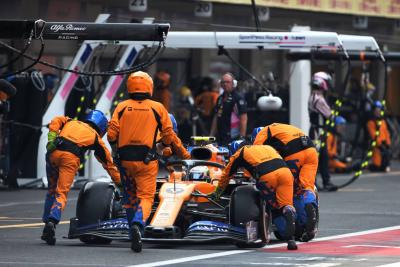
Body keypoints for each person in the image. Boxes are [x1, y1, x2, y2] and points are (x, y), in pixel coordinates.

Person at [107, 71, 190, 252]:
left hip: (125, 161)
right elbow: (169, 134)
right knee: (145, 197)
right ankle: (138, 223)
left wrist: (116, 150)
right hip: (147, 161)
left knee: (129, 197)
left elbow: (111, 133)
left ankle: (131, 232)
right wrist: (160, 148)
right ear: (149, 87)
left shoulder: (121, 107)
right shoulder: (157, 107)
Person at [41, 110, 121, 245]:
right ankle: (52, 221)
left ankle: (45, 226)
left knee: (52, 191)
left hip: (52, 154)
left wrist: (51, 138)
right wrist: (120, 182)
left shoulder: (70, 121)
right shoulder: (96, 137)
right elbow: (108, 164)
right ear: (101, 127)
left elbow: (55, 120)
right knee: (61, 193)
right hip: (69, 160)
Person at [210, 139, 296, 243]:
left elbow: (226, 176)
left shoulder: (240, 152)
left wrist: (217, 193)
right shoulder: (267, 147)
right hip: (286, 173)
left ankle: (286, 236)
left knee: (273, 206)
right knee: (286, 205)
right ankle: (291, 232)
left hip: (267, 175)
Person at [252, 123, 319, 241]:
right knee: (306, 187)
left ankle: (289, 226)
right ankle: (309, 205)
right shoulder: (282, 129)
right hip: (311, 149)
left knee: (286, 190)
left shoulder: (261, 137)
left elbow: (257, 155)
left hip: (293, 152)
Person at [308, 71, 338, 191]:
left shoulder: (314, 96)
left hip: (318, 131)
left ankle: (325, 181)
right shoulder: (318, 99)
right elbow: (330, 115)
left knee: (322, 157)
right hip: (318, 133)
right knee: (318, 157)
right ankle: (315, 182)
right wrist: (335, 108)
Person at [210, 73, 247, 146]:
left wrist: (242, 138)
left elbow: (243, 119)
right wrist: (211, 136)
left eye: (227, 82)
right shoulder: (220, 98)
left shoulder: (238, 98)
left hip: (233, 138)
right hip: (220, 137)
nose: (225, 84)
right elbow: (216, 117)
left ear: (233, 83)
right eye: (223, 82)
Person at [367, 101, 391, 172]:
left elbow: (386, 133)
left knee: (386, 156)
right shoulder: (371, 122)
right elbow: (373, 135)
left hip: (384, 144)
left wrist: (388, 143)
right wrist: (380, 144)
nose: (378, 112)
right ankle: (373, 165)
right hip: (377, 145)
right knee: (377, 166)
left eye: (379, 110)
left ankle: (385, 164)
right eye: (376, 110)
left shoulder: (383, 121)